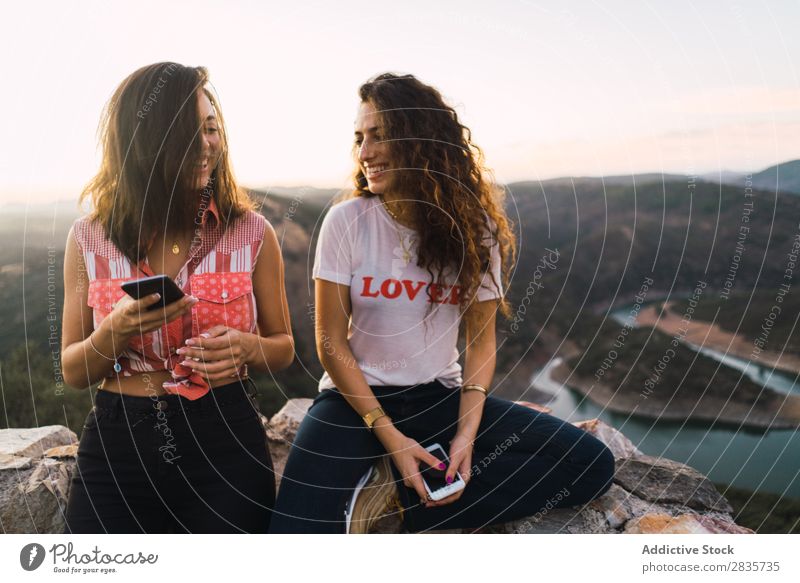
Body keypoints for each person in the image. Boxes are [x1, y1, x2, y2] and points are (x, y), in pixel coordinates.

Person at [269, 73, 615, 534]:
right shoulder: (347, 220)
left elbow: (480, 342)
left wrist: (466, 436)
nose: (365, 152)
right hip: (355, 402)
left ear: (422, 141)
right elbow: (329, 340)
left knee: (589, 464)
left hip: (440, 397)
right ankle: (393, 493)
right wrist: (389, 435)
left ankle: (397, 512)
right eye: (360, 138)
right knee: (294, 534)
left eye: (380, 136)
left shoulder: (476, 232)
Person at [61, 62, 294, 533]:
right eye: (190, 132)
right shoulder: (88, 239)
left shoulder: (252, 233)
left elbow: (283, 346)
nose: (208, 144)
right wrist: (116, 331)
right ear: (146, 141)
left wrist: (248, 348)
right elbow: (74, 370)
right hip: (118, 443)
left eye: (212, 129)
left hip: (225, 437)